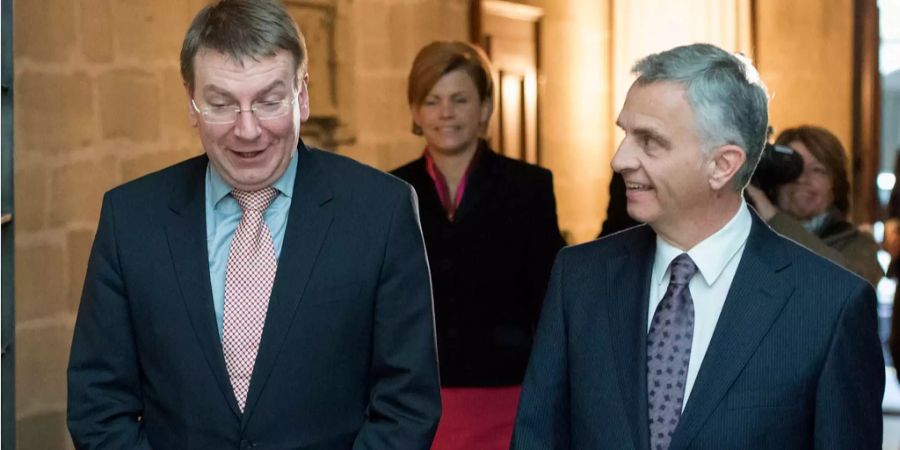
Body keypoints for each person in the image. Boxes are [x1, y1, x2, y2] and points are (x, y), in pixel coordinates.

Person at [67, 1, 441, 448]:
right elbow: (98, 404)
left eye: (268, 101)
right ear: (192, 104)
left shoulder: (381, 212)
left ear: (302, 96)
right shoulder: (130, 220)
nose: (248, 130)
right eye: (222, 103)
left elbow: (407, 405)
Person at [512, 43, 884, 449]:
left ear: (722, 165)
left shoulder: (830, 306)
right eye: (625, 134)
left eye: (649, 141)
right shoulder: (579, 277)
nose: (620, 159)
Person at [391, 41, 565, 449]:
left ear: (485, 108)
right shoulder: (390, 192)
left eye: (460, 99)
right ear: (416, 112)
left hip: (509, 394)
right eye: (431, 101)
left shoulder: (530, 188)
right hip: (417, 399)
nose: (445, 113)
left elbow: (549, 299)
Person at [746, 125, 883, 286]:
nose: (802, 178)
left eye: (817, 170)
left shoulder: (858, 244)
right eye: (792, 168)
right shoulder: (748, 235)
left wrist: (774, 218)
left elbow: (851, 287)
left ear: (835, 186)